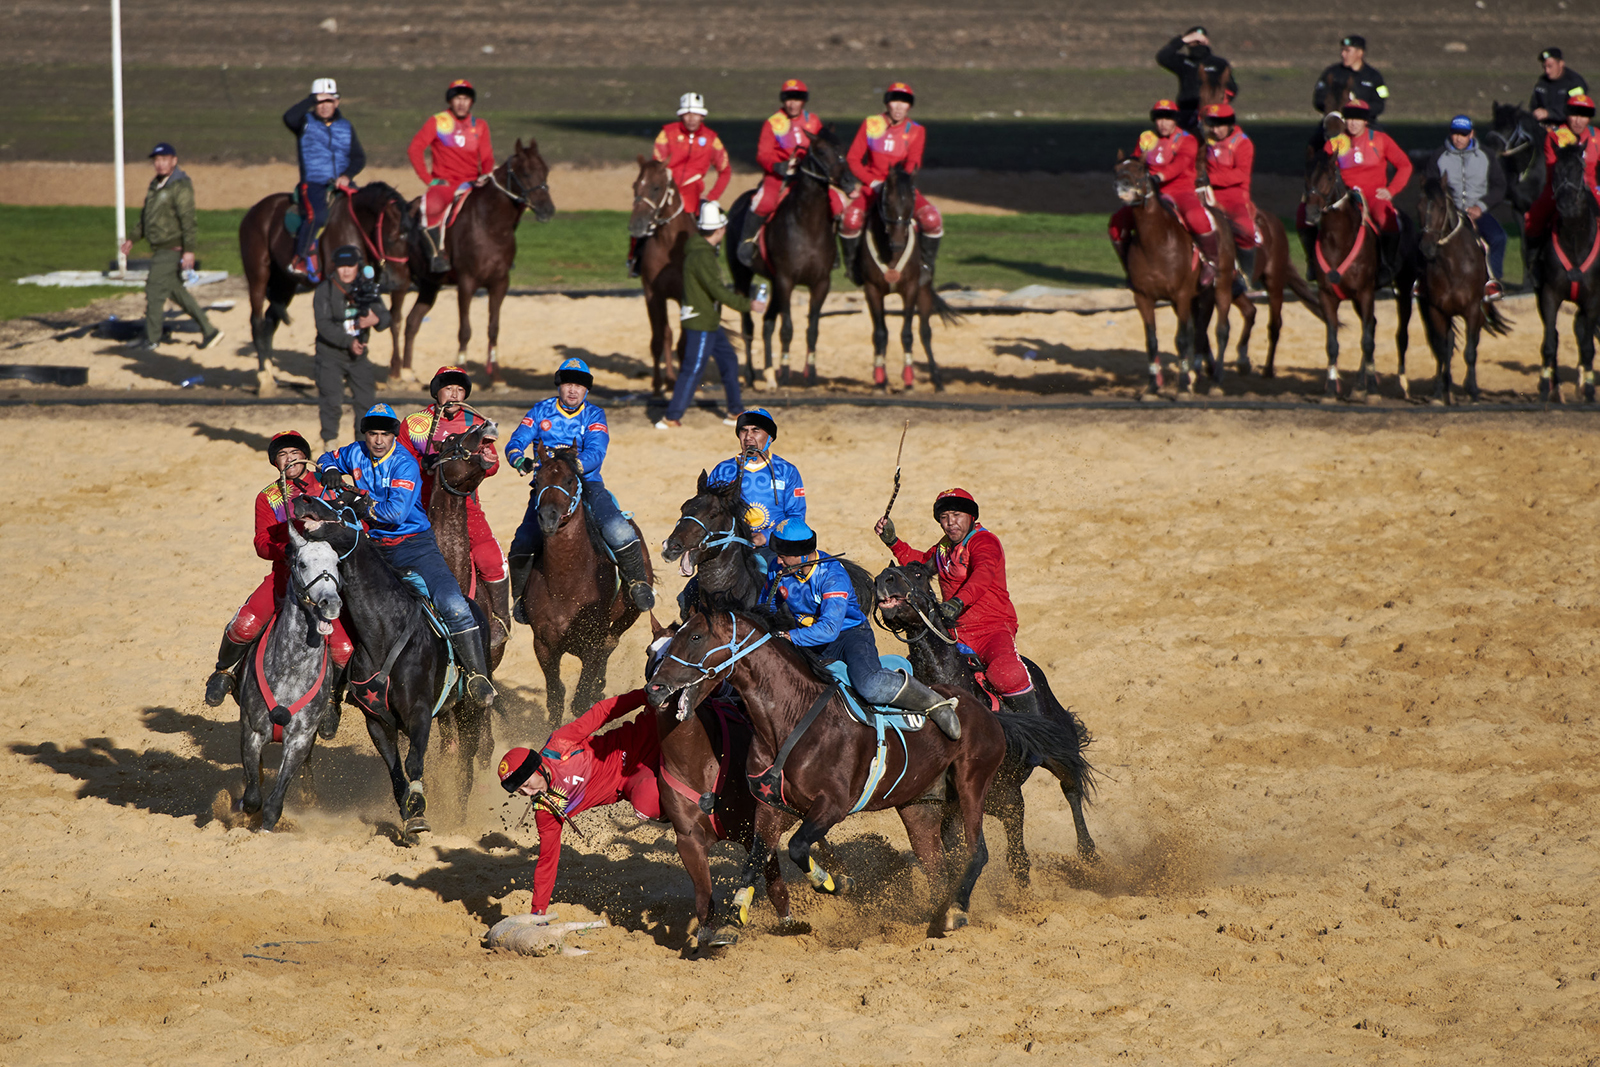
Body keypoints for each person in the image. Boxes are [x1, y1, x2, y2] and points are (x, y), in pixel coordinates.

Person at [318, 404, 496, 710]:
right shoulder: (356, 452)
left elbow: (396, 513)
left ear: (393, 436)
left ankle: (478, 677)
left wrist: (362, 506)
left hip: (415, 545)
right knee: (339, 604)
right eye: (372, 433)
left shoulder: (404, 463)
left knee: (453, 604)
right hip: (375, 547)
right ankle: (334, 692)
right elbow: (326, 458)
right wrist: (330, 470)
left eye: (384, 434)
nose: (377, 440)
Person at [204, 431, 354, 740]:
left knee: (343, 648)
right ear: (275, 462)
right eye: (283, 455)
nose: (290, 459)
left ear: (305, 456)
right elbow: (261, 542)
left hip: (324, 581)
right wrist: (283, 549)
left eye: (295, 453)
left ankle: (332, 702)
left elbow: (353, 525)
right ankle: (223, 672)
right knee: (244, 625)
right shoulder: (267, 497)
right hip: (284, 577)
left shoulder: (327, 486)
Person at [762, 518, 962, 740]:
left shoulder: (832, 575)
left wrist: (790, 636)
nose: (777, 560)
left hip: (849, 636)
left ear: (800, 555)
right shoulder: (778, 568)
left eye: (783, 555)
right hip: (809, 639)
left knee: (869, 685)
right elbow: (767, 608)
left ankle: (935, 703)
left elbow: (829, 629)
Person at [504, 357, 656, 615]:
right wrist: (519, 459)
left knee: (619, 531)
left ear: (587, 390)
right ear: (559, 386)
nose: (573, 390)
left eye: (579, 385)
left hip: (587, 484)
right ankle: (520, 600)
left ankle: (638, 584)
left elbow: (597, 451)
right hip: (548, 488)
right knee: (522, 541)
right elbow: (516, 441)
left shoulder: (595, 414)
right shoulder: (540, 411)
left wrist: (571, 467)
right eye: (567, 384)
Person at [496, 689, 663, 920]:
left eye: (526, 784)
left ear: (538, 768)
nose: (527, 792)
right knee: (647, 805)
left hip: (641, 735)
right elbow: (547, 862)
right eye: (520, 791)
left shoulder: (560, 744)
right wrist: (538, 913)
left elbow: (602, 711)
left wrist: (644, 696)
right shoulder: (546, 810)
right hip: (635, 778)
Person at [875, 488, 1039, 718]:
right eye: (944, 518)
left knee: (1007, 675)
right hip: (955, 632)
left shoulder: (985, 542)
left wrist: (959, 602)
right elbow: (920, 566)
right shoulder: (943, 548)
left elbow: (982, 574)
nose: (950, 523)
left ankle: (1034, 737)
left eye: (956, 515)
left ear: (971, 517)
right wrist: (893, 542)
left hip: (992, 630)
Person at [399, 366, 510, 640]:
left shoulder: (476, 423)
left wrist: (487, 462)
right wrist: (418, 463)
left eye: (460, 390)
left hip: (465, 505)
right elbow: (398, 460)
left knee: (491, 559)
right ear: (437, 391)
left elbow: (492, 464)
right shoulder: (414, 423)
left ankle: (500, 619)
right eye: (449, 388)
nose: (454, 395)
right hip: (416, 506)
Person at [656, 202, 768, 430]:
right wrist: (750, 305)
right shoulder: (703, 257)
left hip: (709, 321)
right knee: (693, 369)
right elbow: (718, 292)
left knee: (729, 360)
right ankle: (671, 417)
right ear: (719, 230)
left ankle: (735, 411)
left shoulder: (700, 252)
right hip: (702, 322)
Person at [118, 142, 223, 354]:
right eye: (156, 160)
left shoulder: (180, 186)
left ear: (174, 161)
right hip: (160, 247)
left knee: (154, 289)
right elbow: (146, 218)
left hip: (171, 248)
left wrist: (189, 250)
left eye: (164, 159)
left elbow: (188, 220)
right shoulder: (155, 186)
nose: (159, 164)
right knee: (176, 291)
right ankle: (210, 330)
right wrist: (132, 239)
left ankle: (151, 339)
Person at [839, 82, 944, 286]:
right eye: (895, 100)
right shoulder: (871, 124)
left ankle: (926, 266)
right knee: (850, 220)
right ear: (887, 102)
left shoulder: (916, 131)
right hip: (872, 186)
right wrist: (872, 182)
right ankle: (853, 267)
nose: (898, 106)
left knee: (932, 219)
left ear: (909, 107)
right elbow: (853, 159)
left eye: (904, 102)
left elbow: (913, 163)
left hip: (900, 187)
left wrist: (897, 184)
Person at [735, 78, 847, 268]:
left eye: (797, 98)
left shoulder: (813, 120)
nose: (792, 103)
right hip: (779, 176)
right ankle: (746, 243)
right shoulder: (773, 122)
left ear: (803, 101)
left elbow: (823, 147)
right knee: (763, 202)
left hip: (808, 177)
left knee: (837, 204)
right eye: (788, 98)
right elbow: (762, 154)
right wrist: (776, 165)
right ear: (783, 100)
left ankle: (832, 249)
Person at [1108, 100, 1221, 287]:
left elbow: (1180, 164)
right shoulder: (1147, 139)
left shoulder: (1187, 139)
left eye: (1168, 119)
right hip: (1150, 192)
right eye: (1159, 119)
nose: (1163, 123)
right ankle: (1130, 268)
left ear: (1175, 120)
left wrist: (1159, 176)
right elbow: (1138, 162)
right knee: (1116, 224)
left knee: (1196, 217)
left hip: (1180, 190)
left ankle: (1211, 262)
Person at [407, 79, 495, 273]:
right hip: (445, 183)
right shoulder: (438, 122)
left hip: (472, 183)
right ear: (450, 101)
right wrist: (429, 179)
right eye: (457, 98)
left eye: (466, 99)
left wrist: (486, 174)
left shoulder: (480, 125)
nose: (462, 103)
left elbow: (487, 157)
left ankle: (499, 255)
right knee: (432, 206)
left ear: (471, 102)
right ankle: (436, 255)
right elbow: (415, 149)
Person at [283, 77, 367, 280]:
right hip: (314, 183)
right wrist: (311, 98)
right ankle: (300, 259)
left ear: (336, 102)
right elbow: (289, 117)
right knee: (317, 216)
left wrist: (347, 176)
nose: (324, 106)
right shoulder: (304, 123)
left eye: (328, 101)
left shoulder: (346, 126)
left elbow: (359, 157)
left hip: (342, 183)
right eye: (320, 102)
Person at [1321, 98, 1413, 281]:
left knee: (1387, 218)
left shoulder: (1380, 140)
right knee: (1310, 216)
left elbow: (1405, 166)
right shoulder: (1336, 143)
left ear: (1366, 121)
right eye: (1349, 119)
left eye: (1357, 119)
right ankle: (1315, 264)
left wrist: (1391, 190)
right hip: (1345, 197)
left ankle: (1387, 265)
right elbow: (1322, 169)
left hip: (1373, 194)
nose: (1352, 123)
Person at [312, 245, 390, 453]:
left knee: (366, 401)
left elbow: (386, 317)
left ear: (358, 266)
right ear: (335, 267)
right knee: (332, 401)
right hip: (330, 354)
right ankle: (330, 445)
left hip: (359, 357)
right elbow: (323, 325)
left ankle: (361, 446)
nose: (346, 270)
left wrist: (376, 319)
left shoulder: (367, 288)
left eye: (350, 266)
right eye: (341, 266)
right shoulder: (324, 291)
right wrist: (348, 341)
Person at [1520, 95, 1600, 290]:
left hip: (1591, 187)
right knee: (1534, 218)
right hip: (1560, 187)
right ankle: (1533, 264)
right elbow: (1554, 168)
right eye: (1574, 114)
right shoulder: (1556, 136)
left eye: (1583, 115)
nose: (1578, 120)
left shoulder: (1597, 137)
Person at [1426, 115, 1508, 300]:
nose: (1458, 138)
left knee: (1498, 238)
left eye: (1463, 134)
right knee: (1427, 237)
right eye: (1455, 134)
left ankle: (1491, 282)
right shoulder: (1439, 156)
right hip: (1449, 212)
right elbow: (1430, 186)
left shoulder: (1486, 155)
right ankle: (1422, 282)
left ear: (1472, 134)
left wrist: (1480, 207)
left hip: (1477, 211)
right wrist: (1448, 207)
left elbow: (1499, 185)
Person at [706, 408, 804, 550]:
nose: (748, 437)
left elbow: (796, 517)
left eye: (755, 430)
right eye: (743, 430)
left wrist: (765, 536)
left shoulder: (787, 471)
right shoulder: (723, 470)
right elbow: (706, 512)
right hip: (729, 546)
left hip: (774, 546)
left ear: (770, 437)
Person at [1201, 103, 1260, 291]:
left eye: (1219, 125)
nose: (1215, 130)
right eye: (1212, 125)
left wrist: (1209, 178)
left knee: (1245, 230)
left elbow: (1241, 174)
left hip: (1234, 196)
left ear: (1229, 125)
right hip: (1208, 193)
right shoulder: (1205, 142)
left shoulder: (1243, 143)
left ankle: (1245, 275)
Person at [653, 92, 731, 219]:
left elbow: (725, 171)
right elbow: (657, 166)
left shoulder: (711, 139)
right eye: (687, 114)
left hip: (694, 193)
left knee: (713, 223)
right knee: (642, 219)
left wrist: (711, 197)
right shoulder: (667, 133)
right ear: (681, 116)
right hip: (666, 190)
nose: (691, 118)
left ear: (702, 116)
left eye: (696, 114)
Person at [1156, 26, 1238, 134]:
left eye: (1200, 40)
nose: (1197, 43)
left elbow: (1232, 88)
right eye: (1194, 40)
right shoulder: (1183, 62)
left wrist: (1219, 104)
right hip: (1187, 110)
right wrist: (1182, 40)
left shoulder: (1218, 63)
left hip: (1212, 113)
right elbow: (1162, 57)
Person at [1313, 35, 1389, 123]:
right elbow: (1319, 99)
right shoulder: (1332, 73)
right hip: (1335, 122)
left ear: (1360, 53)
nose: (1343, 54)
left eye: (1347, 51)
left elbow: (1379, 104)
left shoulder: (1373, 76)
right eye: (1342, 50)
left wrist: (1358, 109)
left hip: (1365, 123)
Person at [1532, 48, 1589, 127]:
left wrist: (1549, 113)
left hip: (1568, 128)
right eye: (1544, 67)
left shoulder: (1575, 82)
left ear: (1561, 64)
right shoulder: (1543, 81)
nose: (1547, 71)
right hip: (1544, 127)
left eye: (1550, 66)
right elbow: (1534, 104)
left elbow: (1576, 108)